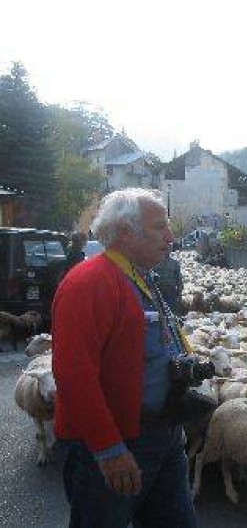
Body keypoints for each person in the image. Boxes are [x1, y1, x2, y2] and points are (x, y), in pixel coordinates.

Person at [51, 188, 198, 527]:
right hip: (119, 443)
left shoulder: (144, 279)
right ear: (127, 232)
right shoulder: (89, 283)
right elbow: (74, 374)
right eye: (160, 227)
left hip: (164, 436)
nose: (171, 237)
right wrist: (108, 449)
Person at [154, 247, 183, 313]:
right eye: (165, 249)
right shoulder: (155, 261)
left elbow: (178, 278)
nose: (167, 251)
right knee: (158, 309)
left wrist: (180, 290)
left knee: (172, 309)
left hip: (170, 289)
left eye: (168, 249)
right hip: (158, 289)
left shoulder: (174, 263)